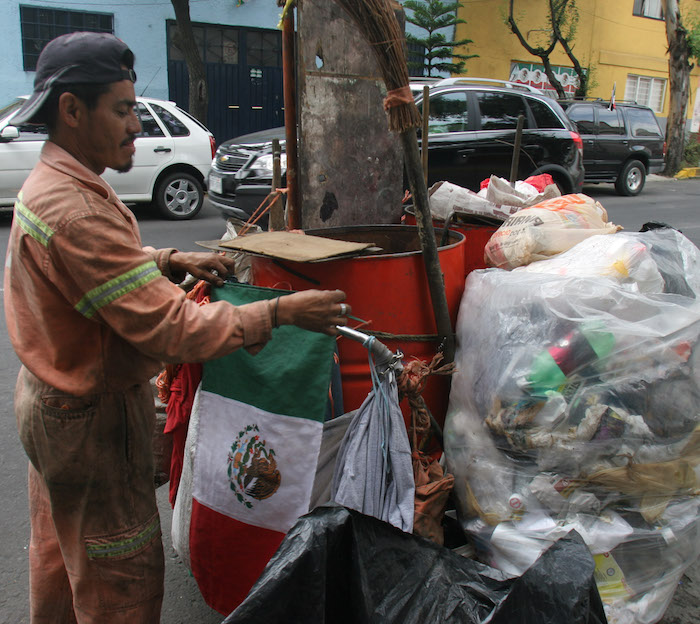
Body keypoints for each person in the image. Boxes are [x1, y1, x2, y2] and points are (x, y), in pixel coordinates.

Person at [4, 31, 350, 623]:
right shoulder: (78, 207)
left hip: (52, 406)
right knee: (120, 579)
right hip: (90, 422)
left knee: (65, 559)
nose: (137, 125)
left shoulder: (58, 183)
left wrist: (167, 260)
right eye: (122, 109)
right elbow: (172, 331)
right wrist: (281, 312)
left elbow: (93, 274)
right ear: (70, 110)